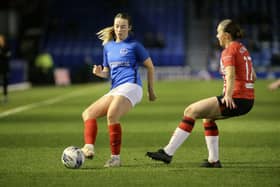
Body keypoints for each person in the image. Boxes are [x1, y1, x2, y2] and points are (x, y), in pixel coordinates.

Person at [146, 19, 256, 168]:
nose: (217, 36)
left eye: (219, 32)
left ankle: (167, 152)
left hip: (236, 98)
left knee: (191, 111)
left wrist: (229, 95)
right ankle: (213, 160)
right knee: (207, 118)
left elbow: (230, 74)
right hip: (247, 100)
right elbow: (253, 76)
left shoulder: (229, 50)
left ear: (226, 35)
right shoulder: (242, 49)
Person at [81, 13, 156, 168]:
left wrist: (151, 91)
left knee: (112, 115)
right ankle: (88, 147)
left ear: (129, 27)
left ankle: (115, 158)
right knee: (88, 114)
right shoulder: (108, 47)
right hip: (116, 88)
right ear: (113, 27)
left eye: (123, 26)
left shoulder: (135, 46)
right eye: (117, 26)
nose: (119, 29)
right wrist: (99, 73)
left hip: (132, 87)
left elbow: (150, 67)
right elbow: (107, 72)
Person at [0, 34, 11, 103]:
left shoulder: (6, 47)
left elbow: (8, 56)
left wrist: (2, 54)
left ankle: (5, 96)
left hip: (5, 67)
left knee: (5, 82)